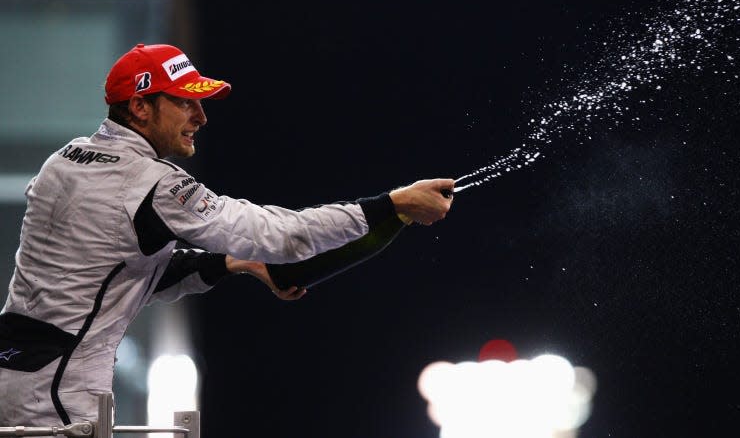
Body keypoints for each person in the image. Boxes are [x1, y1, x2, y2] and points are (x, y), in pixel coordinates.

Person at [0, 43, 454, 427]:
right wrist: (391, 205)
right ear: (140, 107)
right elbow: (283, 237)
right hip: (61, 401)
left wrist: (234, 263)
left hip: (15, 375)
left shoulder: (63, 160)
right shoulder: (153, 184)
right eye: (184, 102)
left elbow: (114, 274)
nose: (200, 116)